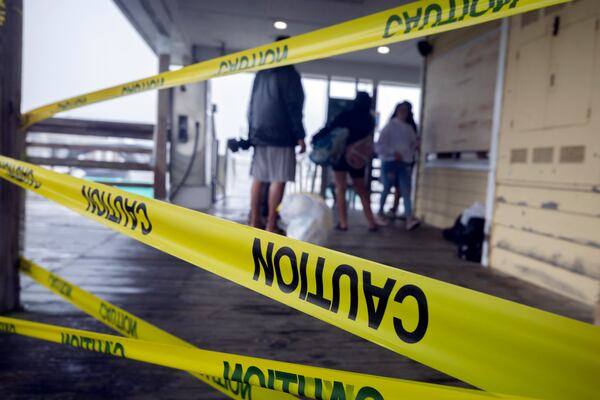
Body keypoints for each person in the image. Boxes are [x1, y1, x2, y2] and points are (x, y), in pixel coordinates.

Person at [248, 37, 306, 233]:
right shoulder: (290, 75)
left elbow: (251, 105)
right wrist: (299, 135)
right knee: (278, 178)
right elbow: (294, 106)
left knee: (258, 177)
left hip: (259, 134)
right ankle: (271, 224)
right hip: (282, 134)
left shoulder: (261, 73)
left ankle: (254, 221)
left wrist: (252, 133)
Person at [312, 92, 378, 231]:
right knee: (361, 189)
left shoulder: (346, 114)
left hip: (341, 154)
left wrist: (316, 138)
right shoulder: (369, 119)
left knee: (340, 188)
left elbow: (330, 128)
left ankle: (343, 223)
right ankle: (371, 222)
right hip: (357, 156)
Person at [375, 101, 421, 231]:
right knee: (387, 187)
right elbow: (379, 145)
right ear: (396, 111)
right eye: (401, 110)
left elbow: (412, 144)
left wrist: (415, 147)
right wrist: (392, 153)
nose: (403, 113)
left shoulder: (409, 128)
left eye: (406, 111)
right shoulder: (390, 126)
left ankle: (409, 218)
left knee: (405, 190)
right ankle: (379, 213)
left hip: (404, 162)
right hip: (390, 161)